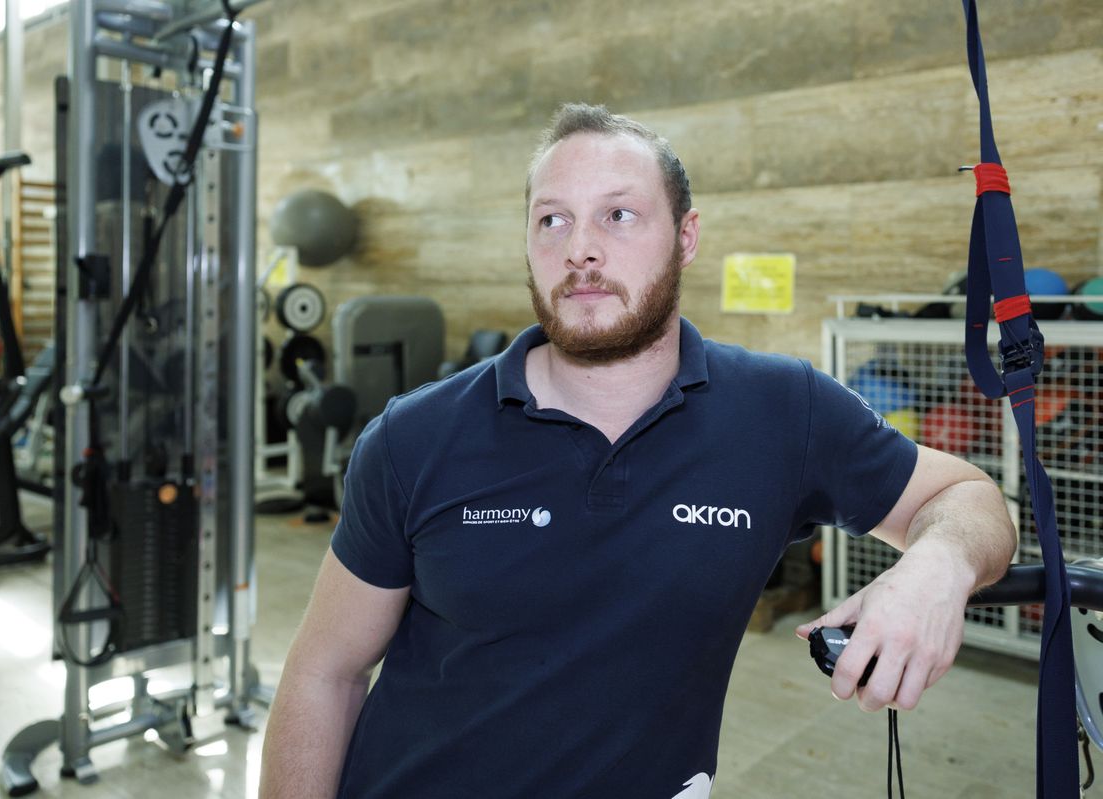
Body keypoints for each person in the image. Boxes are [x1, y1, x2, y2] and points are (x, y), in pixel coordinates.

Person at [259, 103, 1017, 799]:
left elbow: (968, 497)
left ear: (686, 237)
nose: (581, 249)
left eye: (618, 215)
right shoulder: (413, 438)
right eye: (551, 220)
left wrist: (937, 567)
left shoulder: (783, 411)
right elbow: (325, 670)